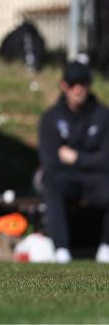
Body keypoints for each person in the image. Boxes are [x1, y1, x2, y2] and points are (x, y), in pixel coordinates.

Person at [38, 61, 109, 264]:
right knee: (51, 182)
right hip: (64, 177)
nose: (78, 89)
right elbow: (50, 161)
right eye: (72, 84)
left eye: (83, 83)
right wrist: (90, 159)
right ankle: (61, 248)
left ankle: (106, 247)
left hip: (95, 178)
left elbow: (106, 159)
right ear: (64, 86)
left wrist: (76, 158)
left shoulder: (103, 116)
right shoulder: (51, 118)